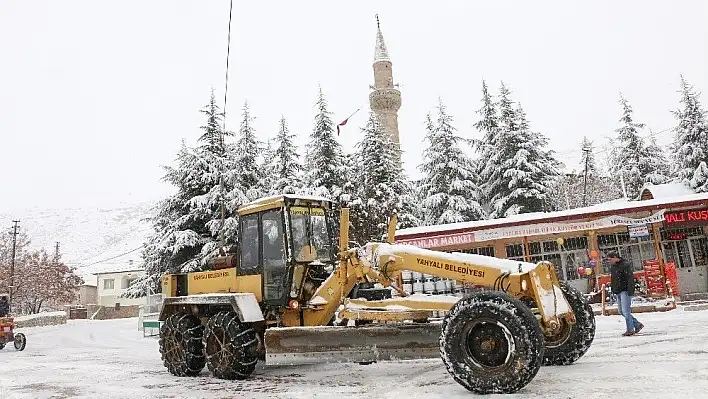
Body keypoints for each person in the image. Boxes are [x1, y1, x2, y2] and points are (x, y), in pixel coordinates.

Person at [607, 251, 644, 336]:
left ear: (615, 257)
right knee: (621, 311)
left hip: (625, 290)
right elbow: (613, 279)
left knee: (626, 311)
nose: (609, 261)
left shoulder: (625, 265)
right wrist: (613, 289)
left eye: (610, 259)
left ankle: (630, 329)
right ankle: (637, 324)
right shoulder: (613, 267)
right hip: (618, 291)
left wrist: (631, 290)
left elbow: (630, 278)